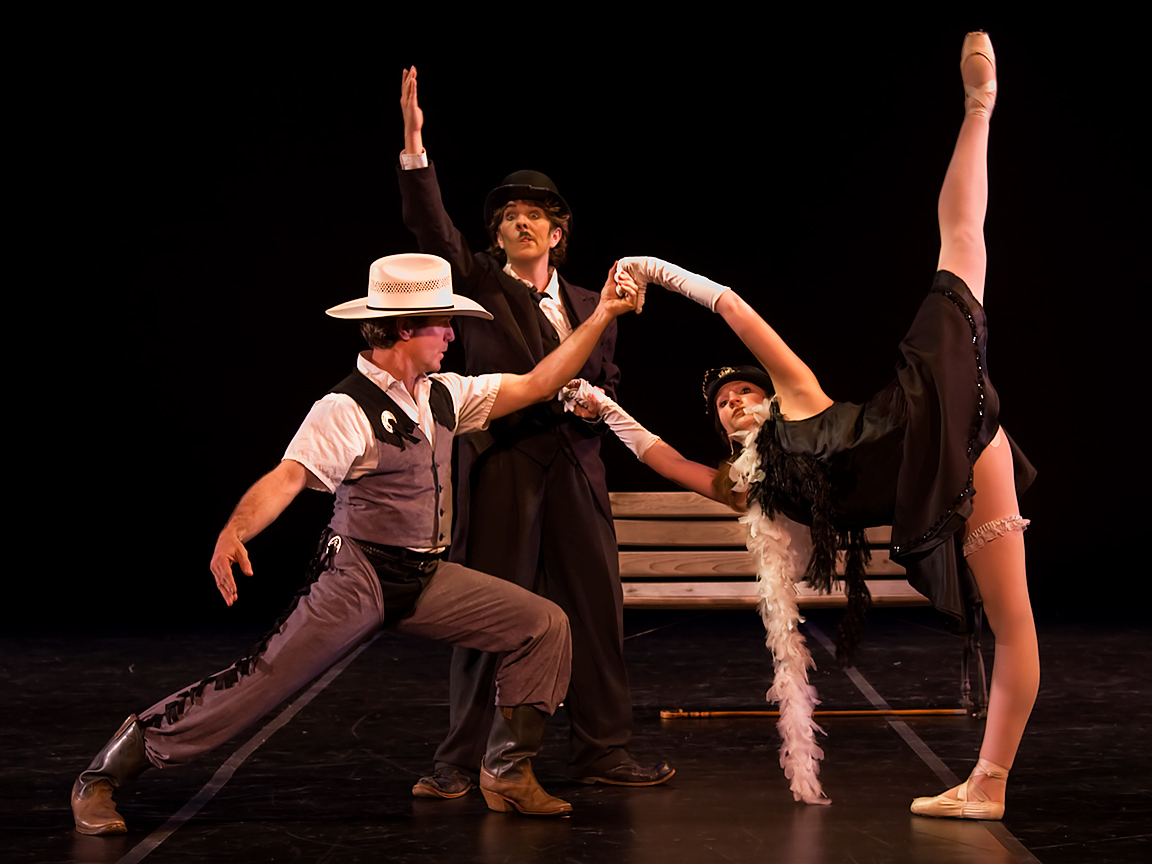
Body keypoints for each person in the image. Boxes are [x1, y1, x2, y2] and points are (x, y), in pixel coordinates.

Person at [571, 32, 1037, 819]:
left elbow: (736, 309)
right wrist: (602, 406)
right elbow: (660, 457)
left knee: (961, 249)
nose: (738, 401)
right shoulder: (746, 485)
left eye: (743, 392)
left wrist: (651, 269)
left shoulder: (797, 395)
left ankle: (980, 108)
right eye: (724, 405)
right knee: (1013, 626)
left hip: (920, 413)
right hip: (961, 469)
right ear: (723, 431)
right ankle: (987, 785)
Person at [70, 252, 641, 834]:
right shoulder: (344, 407)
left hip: (426, 577)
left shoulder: (444, 393)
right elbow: (289, 475)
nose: (451, 333)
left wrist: (600, 316)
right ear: (401, 329)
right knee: (256, 684)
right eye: (441, 323)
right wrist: (235, 530)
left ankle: (508, 772)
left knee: (543, 624)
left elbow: (539, 382)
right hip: (359, 577)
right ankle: (102, 776)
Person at [394, 67, 673, 797]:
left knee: (594, 611)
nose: (518, 221)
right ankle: (457, 763)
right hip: (503, 467)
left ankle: (603, 752)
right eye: (508, 214)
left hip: (577, 469)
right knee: (488, 612)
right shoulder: (478, 283)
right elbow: (432, 229)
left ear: (558, 232)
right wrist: (416, 149)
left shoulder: (591, 302)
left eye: (533, 214)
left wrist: (592, 401)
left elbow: (610, 385)